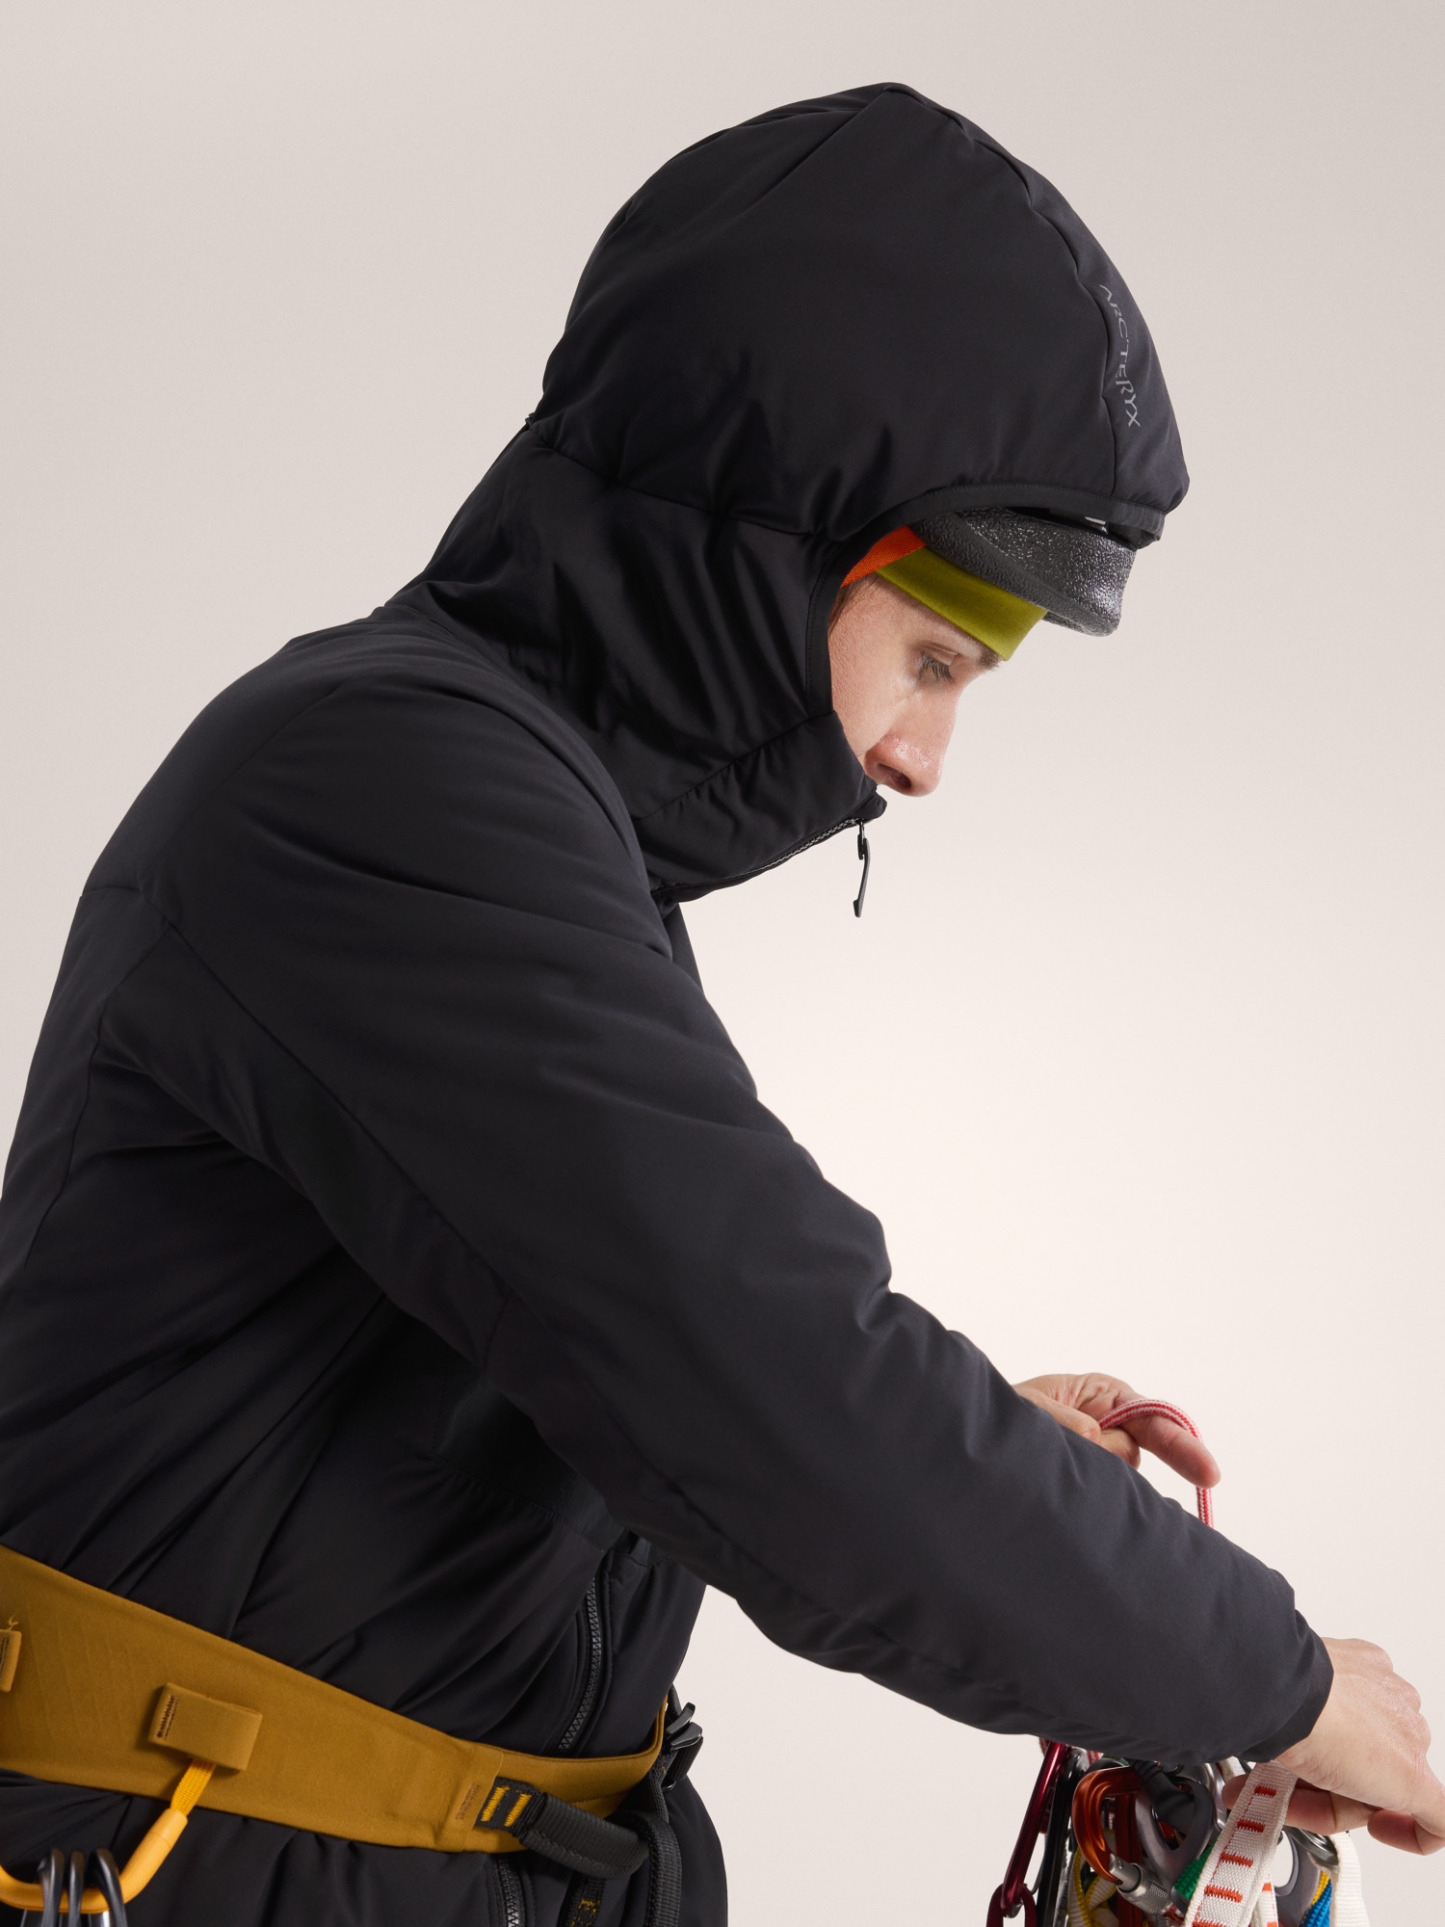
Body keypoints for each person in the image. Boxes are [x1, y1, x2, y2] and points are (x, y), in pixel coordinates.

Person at [0, 81, 1438, 1927]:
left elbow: (608, 1372)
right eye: (933, 659)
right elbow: (781, 1399)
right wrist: (1275, 1677)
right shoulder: (378, 785)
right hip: (178, 1874)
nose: (919, 760)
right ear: (772, 549)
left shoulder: (518, 819)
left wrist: (990, 1450)